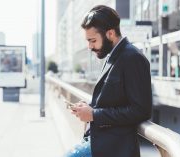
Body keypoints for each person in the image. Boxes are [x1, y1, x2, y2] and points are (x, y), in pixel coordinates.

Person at [64, 5, 152, 157]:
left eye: (92, 40)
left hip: (113, 148)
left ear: (110, 33)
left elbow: (141, 110)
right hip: (99, 142)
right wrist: (89, 107)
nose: (90, 47)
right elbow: (115, 99)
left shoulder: (132, 58)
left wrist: (94, 115)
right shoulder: (113, 55)